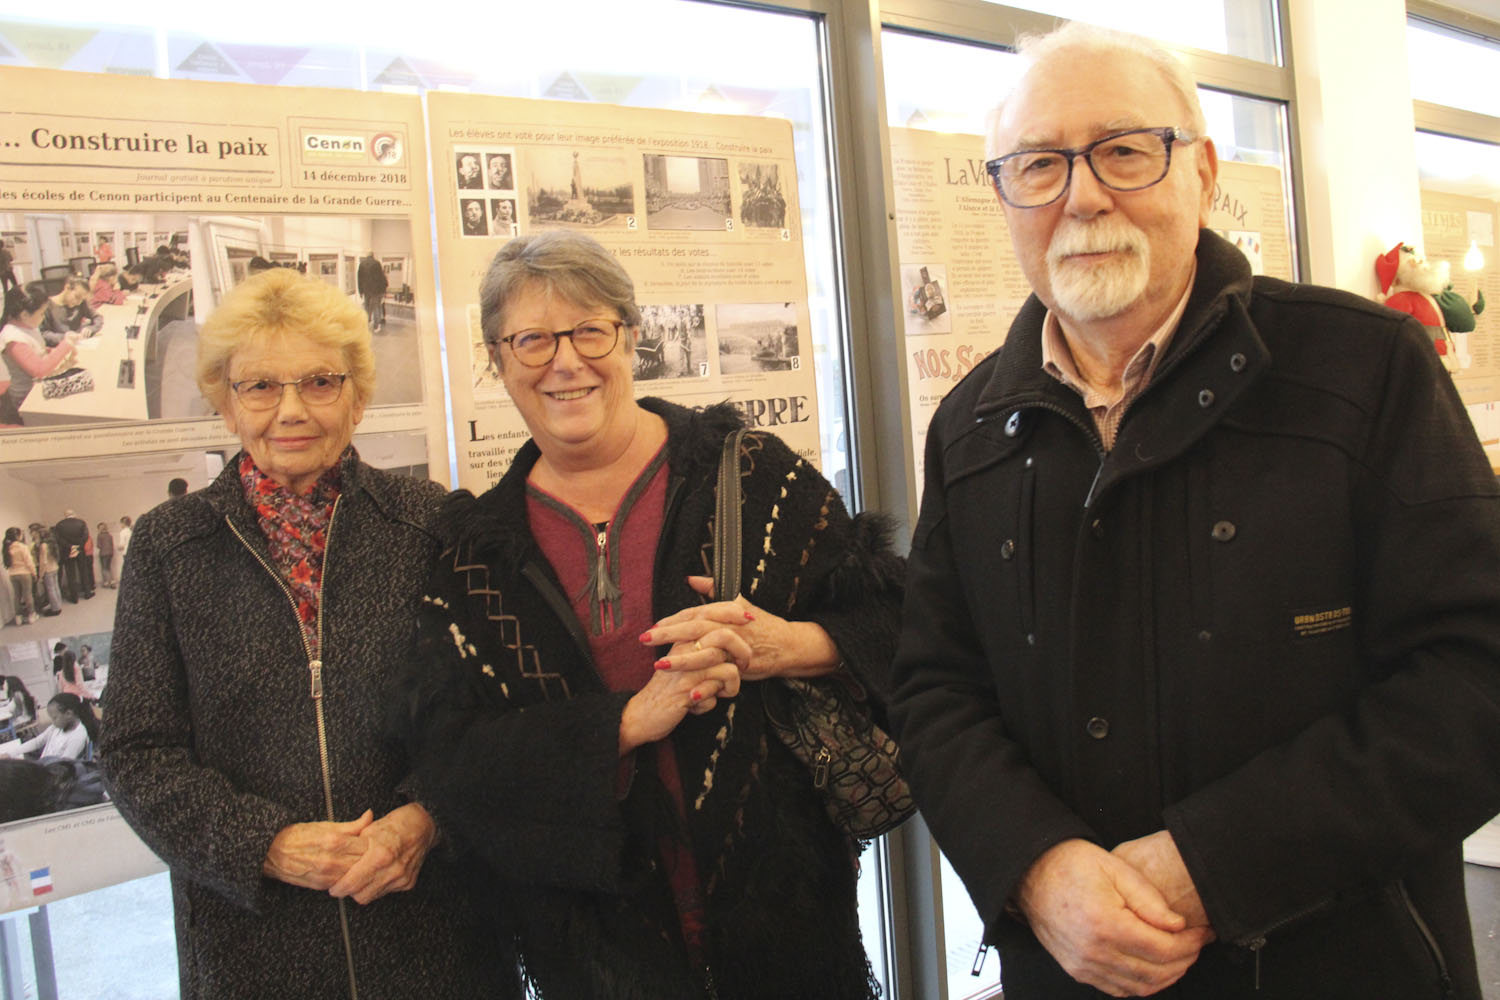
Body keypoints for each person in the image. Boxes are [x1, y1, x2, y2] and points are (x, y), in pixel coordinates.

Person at [888, 22, 1500, 1000]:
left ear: (1204, 171)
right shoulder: (972, 427)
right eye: (1039, 164)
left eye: (1125, 151)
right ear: (1004, 194)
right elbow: (935, 691)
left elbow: (1476, 677)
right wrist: (1036, 868)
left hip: (1342, 964)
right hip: (1072, 971)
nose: (1082, 195)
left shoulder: (1363, 370)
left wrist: (1218, 862)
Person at [392, 231, 904, 1000]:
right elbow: (453, 759)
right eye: (531, 340)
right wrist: (624, 726)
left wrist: (781, 646)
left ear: (633, 337)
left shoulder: (750, 475)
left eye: (590, 330)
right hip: (598, 953)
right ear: (497, 362)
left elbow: (900, 622)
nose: (564, 361)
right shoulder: (473, 556)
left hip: (788, 930)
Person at [99, 266, 513, 999]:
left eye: (320, 382)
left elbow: (495, 712)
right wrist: (266, 846)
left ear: (357, 397)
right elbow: (137, 753)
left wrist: (425, 818)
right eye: (260, 386)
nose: (291, 410)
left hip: (433, 936)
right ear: (226, 405)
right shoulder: (170, 547)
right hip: (252, 947)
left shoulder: (432, 524)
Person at [2, 285, 77, 426]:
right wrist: (65, 344)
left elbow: (36, 351)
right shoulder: (13, 338)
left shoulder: (26, 325)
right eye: (42, 313)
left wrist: (51, 352)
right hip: (27, 398)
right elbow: (39, 370)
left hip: (38, 387)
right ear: (24, 315)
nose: (43, 318)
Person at [8, 693, 94, 761]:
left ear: (68, 714)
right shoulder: (57, 727)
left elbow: (64, 765)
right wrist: (11, 753)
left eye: (55, 718)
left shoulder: (78, 736)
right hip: (44, 766)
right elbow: (37, 742)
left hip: (53, 774)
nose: (52, 722)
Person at [40, 276, 103, 345]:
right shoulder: (48, 306)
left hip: (79, 344)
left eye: (82, 299)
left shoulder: (81, 303)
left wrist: (91, 328)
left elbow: (98, 317)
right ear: (67, 288)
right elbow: (43, 333)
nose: (79, 302)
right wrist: (64, 337)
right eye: (77, 297)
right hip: (60, 347)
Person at [53, 510, 93, 602]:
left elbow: (58, 539)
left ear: (65, 515)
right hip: (80, 550)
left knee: (70, 574)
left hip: (67, 551)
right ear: (74, 514)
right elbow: (86, 536)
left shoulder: (59, 525)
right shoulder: (81, 522)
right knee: (83, 571)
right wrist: (78, 546)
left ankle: (74, 597)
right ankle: (87, 593)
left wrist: (70, 546)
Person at [3, 528, 36, 626]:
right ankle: (31, 616)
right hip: (24, 573)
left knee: (16, 596)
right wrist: (34, 573)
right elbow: (29, 562)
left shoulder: (6, 548)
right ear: (17, 536)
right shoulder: (22, 547)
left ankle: (18, 618)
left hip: (12, 574)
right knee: (27, 595)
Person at [356, 252, 387, 333]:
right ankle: (376, 326)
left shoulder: (362, 264)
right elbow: (380, 278)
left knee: (366, 307)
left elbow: (359, 278)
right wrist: (382, 291)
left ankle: (365, 325)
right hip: (375, 290)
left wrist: (360, 291)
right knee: (376, 307)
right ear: (373, 255)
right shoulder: (376, 263)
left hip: (366, 290)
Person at [95, 522, 116, 589]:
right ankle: (113, 582)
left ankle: (106, 582)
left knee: (104, 568)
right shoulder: (110, 535)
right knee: (109, 567)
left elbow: (98, 546)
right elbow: (112, 545)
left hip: (103, 553)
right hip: (110, 553)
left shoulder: (99, 535)